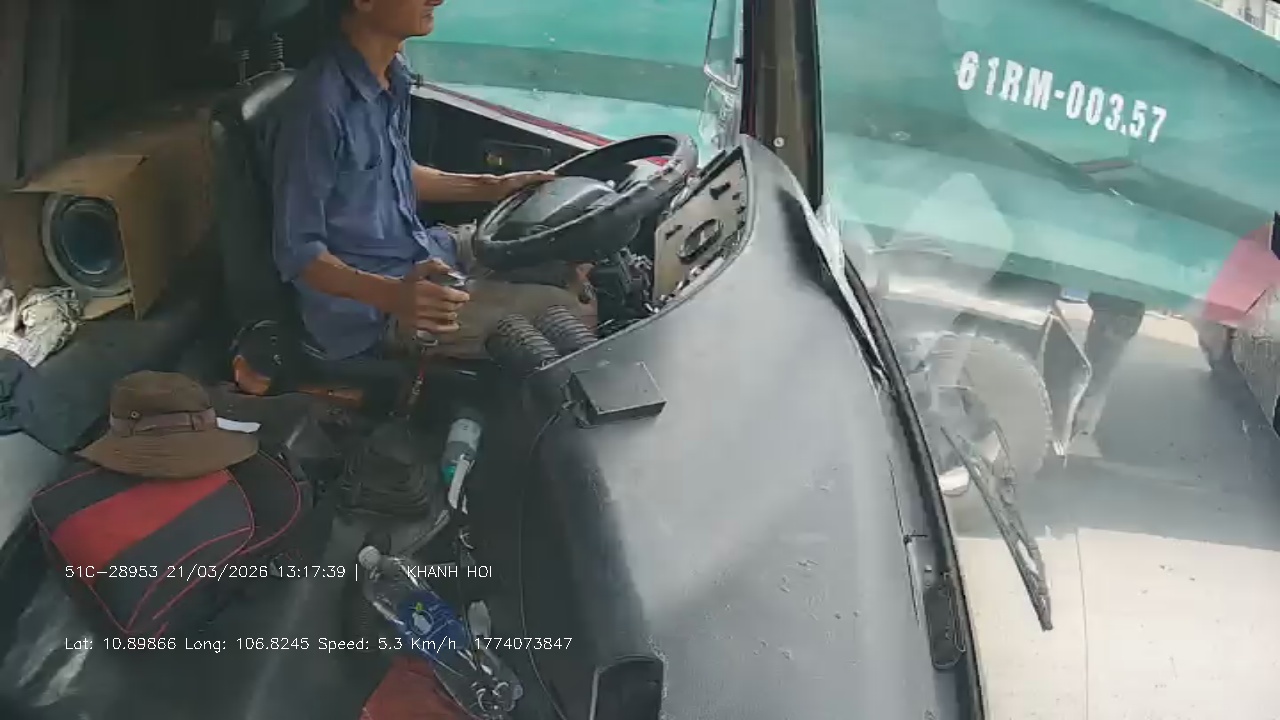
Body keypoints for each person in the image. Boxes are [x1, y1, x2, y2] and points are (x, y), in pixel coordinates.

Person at [270, 0, 595, 364]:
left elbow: (394, 173)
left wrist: (494, 187)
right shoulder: (317, 107)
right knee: (568, 310)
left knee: (562, 255)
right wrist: (395, 297)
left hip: (424, 251)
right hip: (372, 311)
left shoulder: (392, 75)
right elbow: (300, 254)